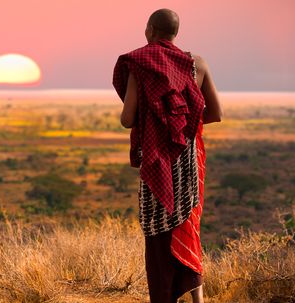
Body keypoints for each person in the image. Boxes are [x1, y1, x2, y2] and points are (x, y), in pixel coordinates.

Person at [112, 8, 222, 303]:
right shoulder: (197, 64)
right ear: (175, 33)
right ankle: (198, 299)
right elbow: (214, 113)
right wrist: (181, 125)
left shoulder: (140, 65)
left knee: (159, 231)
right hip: (187, 156)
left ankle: (164, 297)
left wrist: (155, 122)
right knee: (187, 222)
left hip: (157, 159)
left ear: (149, 30)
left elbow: (126, 119)